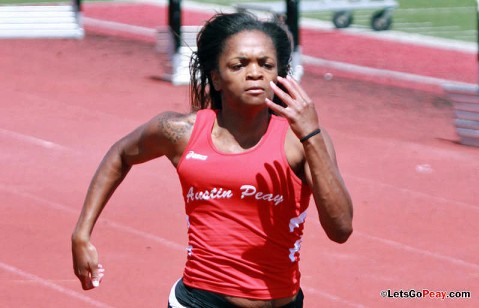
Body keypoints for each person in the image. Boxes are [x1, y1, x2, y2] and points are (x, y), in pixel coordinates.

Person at [71, 11, 353, 308]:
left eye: (266, 64)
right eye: (239, 64)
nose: (255, 73)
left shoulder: (301, 141)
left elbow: (341, 229)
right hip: (200, 301)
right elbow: (120, 154)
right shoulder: (181, 132)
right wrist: (81, 234)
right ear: (216, 78)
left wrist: (313, 135)